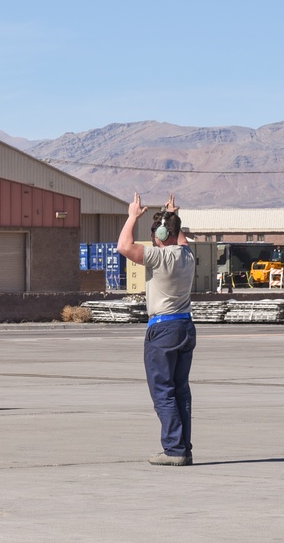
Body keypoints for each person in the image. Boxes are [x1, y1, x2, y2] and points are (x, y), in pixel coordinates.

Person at [117, 192, 196, 466]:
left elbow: (124, 247)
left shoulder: (159, 257)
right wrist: (173, 215)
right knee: (181, 390)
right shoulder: (187, 254)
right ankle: (183, 447)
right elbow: (181, 238)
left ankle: (174, 449)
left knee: (163, 391)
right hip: (186, 325)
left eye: (154, 232)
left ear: (160, 233)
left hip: (163, 329)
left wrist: (132, 217)